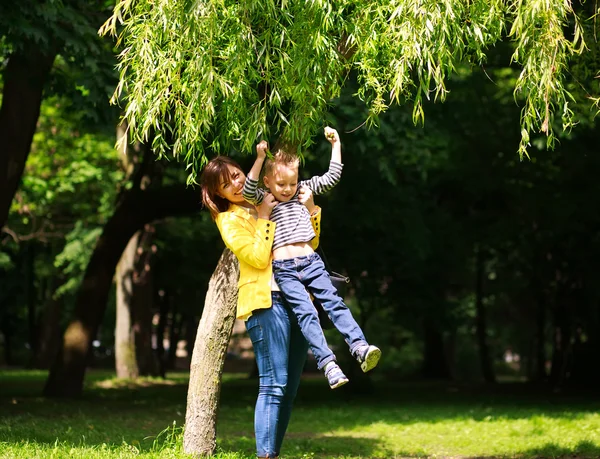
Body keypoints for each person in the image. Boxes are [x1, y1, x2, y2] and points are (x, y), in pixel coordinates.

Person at [200, 155, 322, 459]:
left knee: (290, 390)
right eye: (226, 184)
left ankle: (273, 454)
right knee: (274, 384)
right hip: (266, 302)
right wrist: (265, 216)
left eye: (238, 175)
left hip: (299, 299)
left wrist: (310, 209)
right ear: (219, 194)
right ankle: (264, 456)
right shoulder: (228, 220)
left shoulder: (274, 197)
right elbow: (255, 258)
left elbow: (310, 243)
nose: (237, 183)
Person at [242, 127, 381, 390]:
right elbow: (249, 189)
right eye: (281, 184)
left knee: (334, 304)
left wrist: (336, 144)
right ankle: (328, 364)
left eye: (292, 183)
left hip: (311, 262)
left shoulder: (304, 190)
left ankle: (360, 347)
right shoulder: (266, 198)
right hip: (284, 269)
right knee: (307, 314)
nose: (287, 189)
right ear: (269, 182)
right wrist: (260, 159)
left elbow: (332, 177)